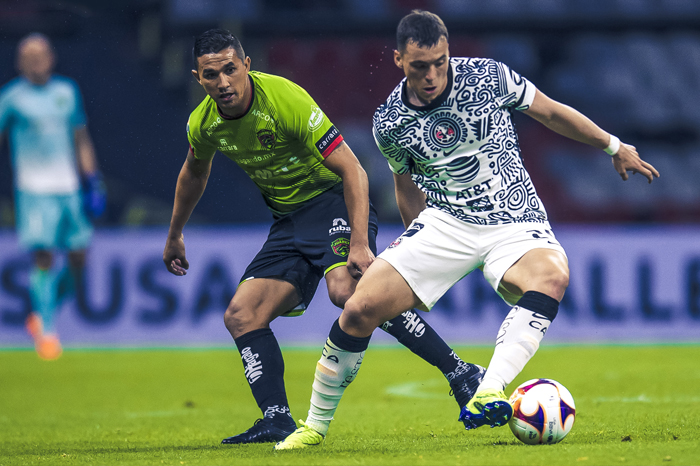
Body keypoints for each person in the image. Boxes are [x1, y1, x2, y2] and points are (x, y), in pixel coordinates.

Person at [275, 10, 660, 450]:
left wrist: (613, 145)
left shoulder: (489, 77)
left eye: (440, 61)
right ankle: (314, 427)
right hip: (444, 223)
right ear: (399, 59)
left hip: (513, 216)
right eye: (421, 66)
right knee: (359, 308)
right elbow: (405, 186)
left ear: (448, 51)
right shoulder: (390, 122)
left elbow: (551, 113)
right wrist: (411, 260)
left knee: (551, 276)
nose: (433, 74)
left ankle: (489, 389)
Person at [162, 28, 486, 445]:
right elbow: (193, 174)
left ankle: (460, 372)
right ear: (197, 78)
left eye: (229, 70)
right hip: (289, 222)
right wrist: (175, 234)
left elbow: (353, 170)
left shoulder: (284, 100)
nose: (223, 83)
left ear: (246, 65)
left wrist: (358, 242)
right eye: (211, 75)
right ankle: (277, 419)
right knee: (241, 315)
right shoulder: (203, 124)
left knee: (347, 292)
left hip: (332, 201)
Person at [0, 33, 105, 360]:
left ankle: (43, 312)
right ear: (19, 62)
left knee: (78, 258)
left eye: (42, 54)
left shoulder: (66, 91)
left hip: (69, 188)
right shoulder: (12, 98)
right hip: (33, 189)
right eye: (29, 55)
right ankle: (46, 330)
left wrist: (93, 178)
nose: (37, 60)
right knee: (43, 256)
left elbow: (81, 138)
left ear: (51, 57)